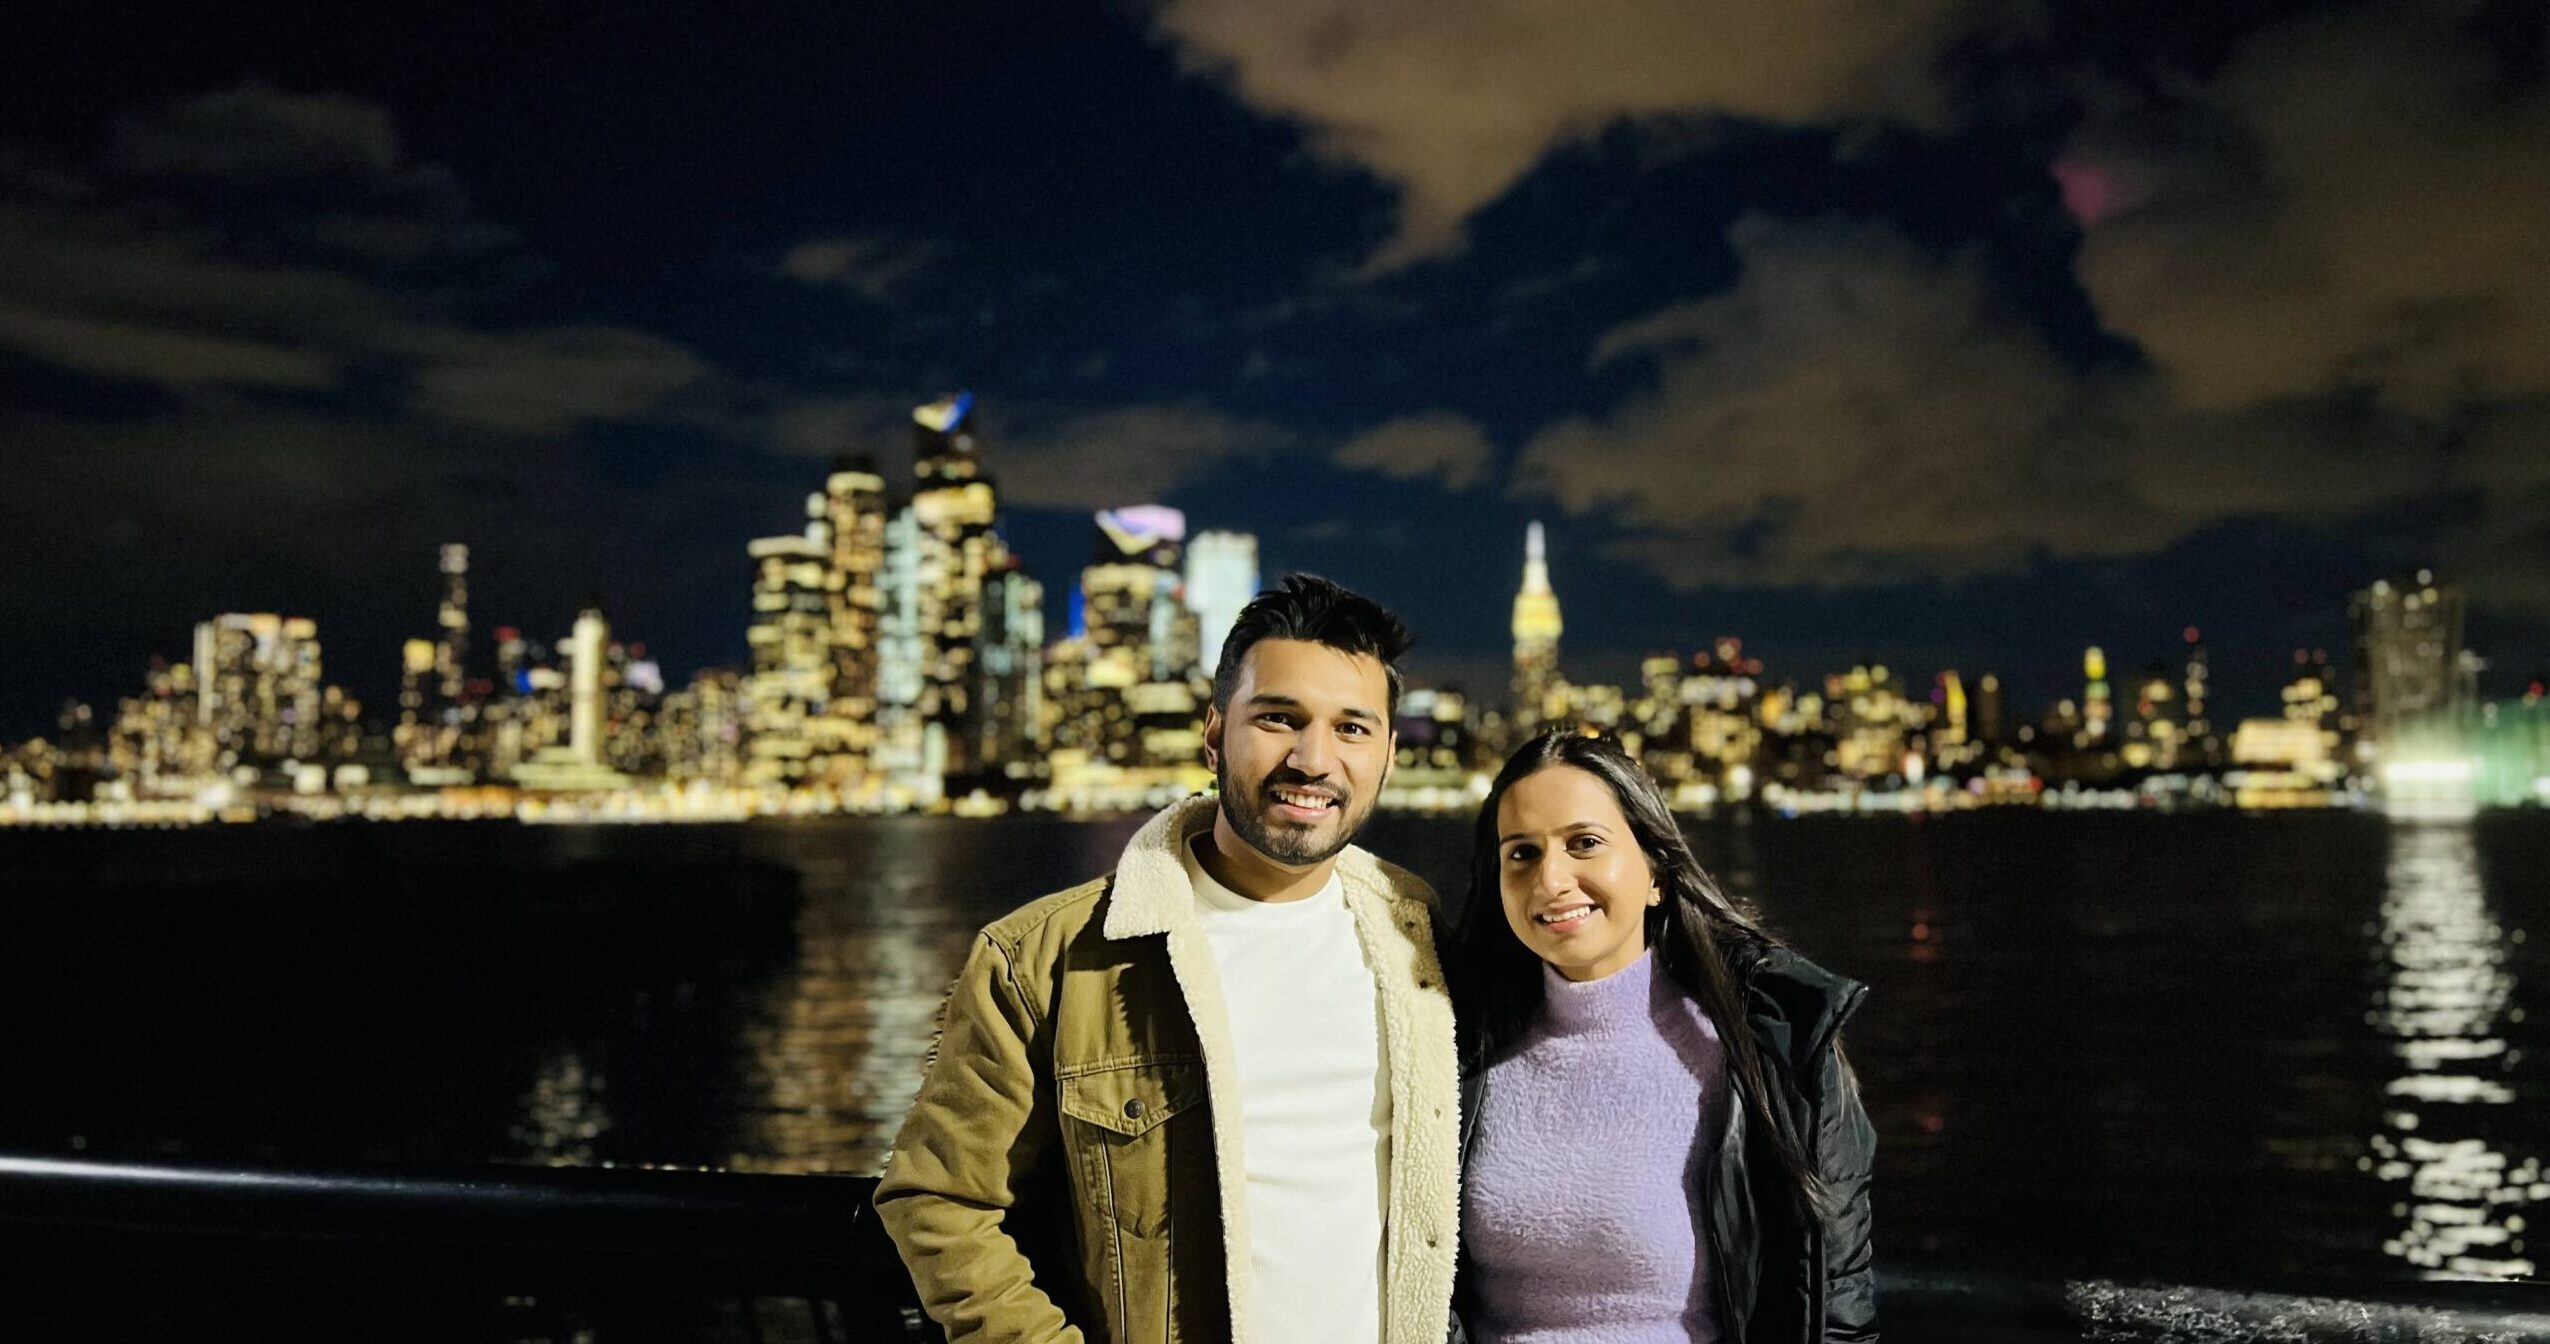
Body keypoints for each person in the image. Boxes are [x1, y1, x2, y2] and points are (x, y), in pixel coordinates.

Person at [875, 573, 1461, 1344]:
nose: (1314, 759)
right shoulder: (1042, 960)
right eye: (1279, 718)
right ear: (1214, 733)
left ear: (1388, 752)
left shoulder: (1417, 935)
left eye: (1352, 728)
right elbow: (938, 1200)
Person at [1449, 729, 1878, 1344]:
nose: (1551, 880)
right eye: (1521, 853)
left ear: (1655, 871)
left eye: (1585, 843)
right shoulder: (1454, 1044)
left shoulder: (1770, 1049)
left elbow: (1838, 1309)